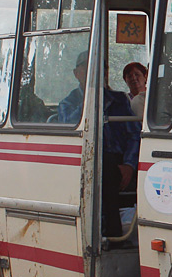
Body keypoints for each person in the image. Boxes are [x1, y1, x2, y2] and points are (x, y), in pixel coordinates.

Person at [58, 51, 139, 237]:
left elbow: (134, 134)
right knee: (105, 168)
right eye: (87, 68)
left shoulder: (119, 100)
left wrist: (129, 164)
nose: (94, 72)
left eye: (99, 69)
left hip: (119, 161)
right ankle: (112, 232)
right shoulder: (68, 104)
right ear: (76, 73)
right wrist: (91, 97)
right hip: (84, 163)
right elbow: (70, 130)